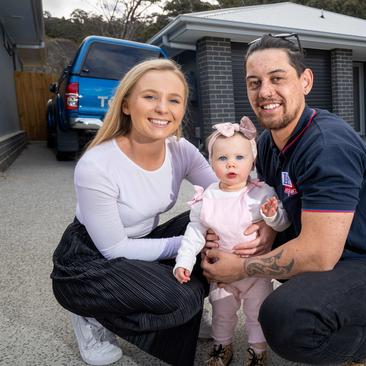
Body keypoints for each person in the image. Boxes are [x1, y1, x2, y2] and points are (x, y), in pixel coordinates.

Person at [201, 34, 366, 365]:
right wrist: (262, 227)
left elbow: (319, 254)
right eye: (254, 82)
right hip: (328, 257)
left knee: (285, 320)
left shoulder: (327, 147)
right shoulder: (269, 144)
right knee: (202, 222)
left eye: (277, 78)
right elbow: (263, 199)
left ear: (305, 81)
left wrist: (241, 267)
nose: (264, 92)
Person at [49, 58, 272, 366]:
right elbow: (115, 248)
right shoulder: (97, 164)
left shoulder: (180, 149)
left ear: (182, 109)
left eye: (174, 100)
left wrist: (262, 223)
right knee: (180, 298)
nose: (162, 108)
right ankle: (92, 316)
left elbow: (226, 192)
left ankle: (188, 311)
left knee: (219, 230)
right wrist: (190, 244)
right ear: (126, 104)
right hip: (91, 258)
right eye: (150, 96)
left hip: (145, 239)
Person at [174, 117, 290, 366]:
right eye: (222, 158)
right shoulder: (207, 197)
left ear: (252, 160)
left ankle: (258, 351)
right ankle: (221, 347)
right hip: (221, 273)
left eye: (239, 157)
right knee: (222, 314)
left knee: (256, 314)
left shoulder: (262, 193)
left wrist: (272, 215)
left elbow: (282, 225)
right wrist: (183, 261)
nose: (231, 165)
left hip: (256, 271)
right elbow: (195, 232)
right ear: (211, 163)